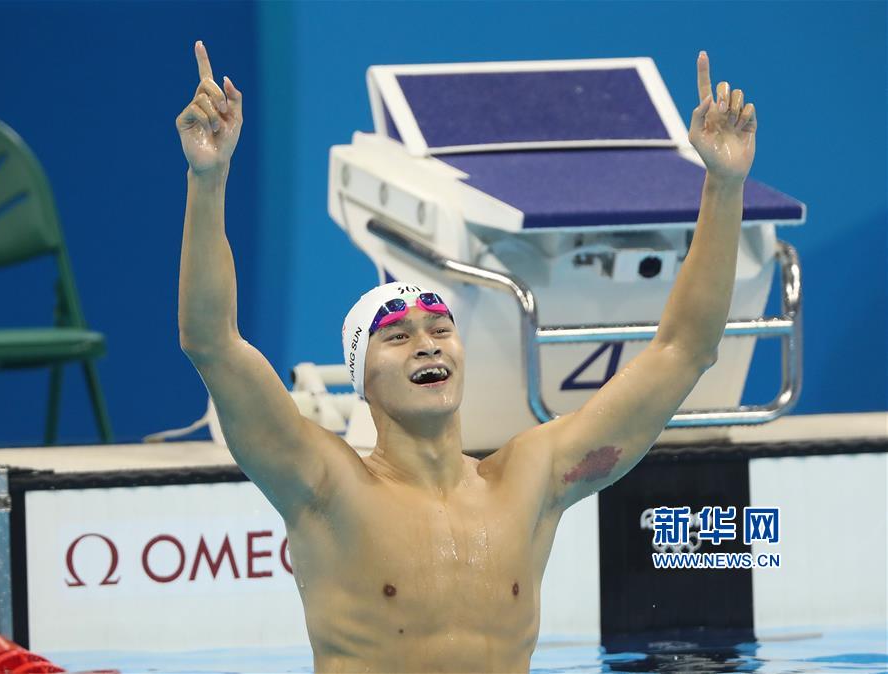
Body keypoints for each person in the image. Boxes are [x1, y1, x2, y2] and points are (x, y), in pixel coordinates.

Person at [176, 41, 756, 673]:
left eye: (440, 329)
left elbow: (684, 350)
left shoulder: (531, 480)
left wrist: (723, 187)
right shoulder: (323, 485)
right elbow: (214, 342)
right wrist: (208, 180)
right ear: (361, 383)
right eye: (396, 336)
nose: (426, 342)